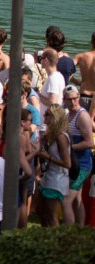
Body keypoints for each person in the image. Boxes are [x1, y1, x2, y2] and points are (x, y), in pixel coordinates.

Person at [38, 103, 73, 225]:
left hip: (57, 180)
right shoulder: (52, 135)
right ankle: (46, 239)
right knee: (41, 211)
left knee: (52, 216)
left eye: (47, 114)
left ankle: (56, 242)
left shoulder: (61, 137)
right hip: (49, 177)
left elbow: (68, 163)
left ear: (55, 117)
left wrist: (48, 157)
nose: (44, 115)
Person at [63, 84, 93, 224]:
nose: (73, 102)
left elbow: (89, 143)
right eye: (70, 99)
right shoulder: (68, 115)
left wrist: (69, 148)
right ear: (65, 100)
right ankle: (80, 231)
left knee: (66, 201)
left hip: (83, 165)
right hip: (75, 165)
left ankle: (69, 233)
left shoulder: (83, 116)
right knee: (77, 200)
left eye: (75, 98)